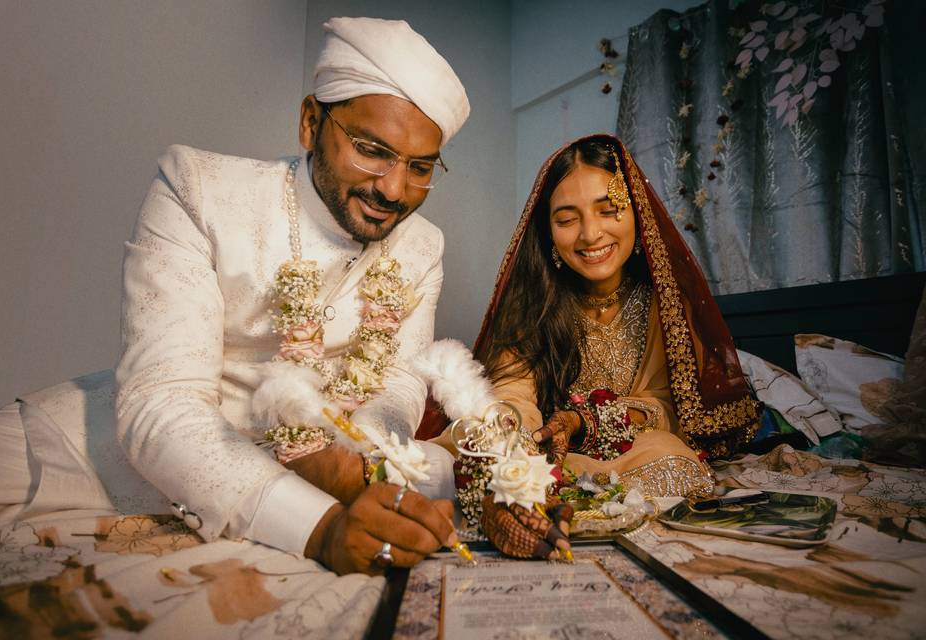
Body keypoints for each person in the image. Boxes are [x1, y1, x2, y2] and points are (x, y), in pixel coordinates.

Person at [115, 17, 469, 576]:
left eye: (420, 167)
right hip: (153, 461)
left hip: (339, 464)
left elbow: (400, 378)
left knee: (467, 471)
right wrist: (322, 528)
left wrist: (358, 469)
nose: (393, 189)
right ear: (310, 122)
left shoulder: (423, 245)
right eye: (372, 150)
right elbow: (161, 403)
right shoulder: (197, 190)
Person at [455, 134, 760, 558]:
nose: (590, 234)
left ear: (636, 212)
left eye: (608, 210)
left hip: (637, 450)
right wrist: (513, 447)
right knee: (464, 447)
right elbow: (512, 392)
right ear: (548, 231)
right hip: (550, 455)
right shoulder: (532, 304)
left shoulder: (664, 304)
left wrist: (588, 422)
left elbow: (671, 410)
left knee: (673, 460)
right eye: (567, 219)